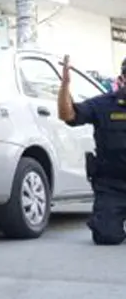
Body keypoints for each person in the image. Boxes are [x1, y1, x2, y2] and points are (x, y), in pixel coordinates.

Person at [57, 55, 126, 245]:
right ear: (122, 79)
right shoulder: (103, 105)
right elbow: (68, 115)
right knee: (107, 236)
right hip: (112, 186)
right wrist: (64, 86)